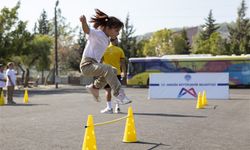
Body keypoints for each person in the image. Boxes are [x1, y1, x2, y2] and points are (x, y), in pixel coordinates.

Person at [79, 9, 132, 106]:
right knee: (107, 68)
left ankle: (94, 87)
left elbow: (112, 41)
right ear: (108, 28)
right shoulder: (97, 34)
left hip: (94, 63)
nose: (118, 33)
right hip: (86, 65)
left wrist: (113, 37)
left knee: (114, 70)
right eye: (116, 31)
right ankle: (119, 94)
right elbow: (87, 30)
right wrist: (83, 22)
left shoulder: (107, 39)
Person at [100, 38, 126, 114]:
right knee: (117, 91)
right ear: (115, 40)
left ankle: (109, 108)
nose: (118, 41)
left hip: (107, 73)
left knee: (108, 90)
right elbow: (123, 63)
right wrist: (124, 72)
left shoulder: (104, 50)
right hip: (117, 73)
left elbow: (100, 62)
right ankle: (117, 107)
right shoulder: (119, 50)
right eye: (117, 40)